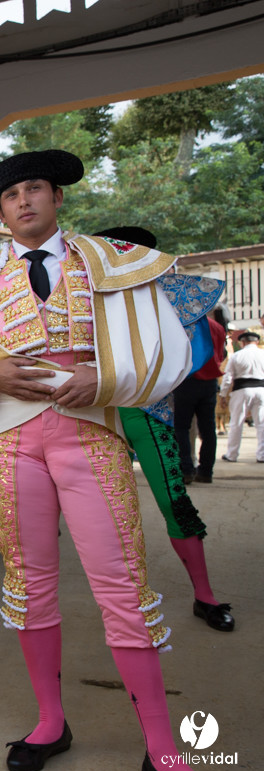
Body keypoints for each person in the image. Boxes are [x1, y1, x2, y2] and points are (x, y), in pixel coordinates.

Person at [0, 150, 227, 771]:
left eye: (35, 188)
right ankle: (50, 722)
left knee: (121, 584)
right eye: (10, 195)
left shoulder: (107, 259)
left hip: (90, 434)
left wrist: (109, 377)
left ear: (57, 197)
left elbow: (164, 337)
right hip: (9, 442)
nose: (24, 201)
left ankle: (162, 750)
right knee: (29, 582)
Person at [92, 227, 234, 634]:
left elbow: (195, 352)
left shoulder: (162, 293)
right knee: (104, 514)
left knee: (174, 502)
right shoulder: (79, 295)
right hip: (92, 413)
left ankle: (204, 596)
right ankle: (123, 602)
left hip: (146, 411)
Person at [173, 305, 227, 484]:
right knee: (208, 429)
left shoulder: (185, 324)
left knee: (181, 427)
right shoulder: (217, 327)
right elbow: (222, 353)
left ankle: (186, 469)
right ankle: (205, 471)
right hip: (210, 381)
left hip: (187, 380)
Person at [221, 329, 264, 463]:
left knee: (236, 423)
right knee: (262, 424)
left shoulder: (237, 356)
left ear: (243, 342)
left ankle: (232, 454)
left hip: (242, 390)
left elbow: (228, 377)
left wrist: (223, 394)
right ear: (256, 342)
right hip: (261, 390)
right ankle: (262, 455)